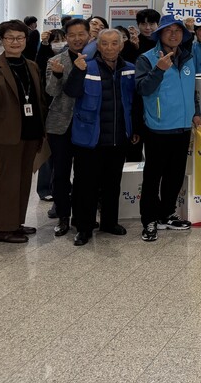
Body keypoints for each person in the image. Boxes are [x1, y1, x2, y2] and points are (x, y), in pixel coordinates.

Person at [67, 29, 139, 246]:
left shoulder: (130, 69)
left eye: (114, 43)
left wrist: (134, 130)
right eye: (104, 43)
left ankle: (109, 222)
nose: (109, 48)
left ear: (121, 45)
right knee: (85, 185)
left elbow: (134, 103)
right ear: (97, 46)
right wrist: (76, 72)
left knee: (112, 184)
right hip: (89, 138)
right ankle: (83, 227)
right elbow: (71, 92)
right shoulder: (85, 67)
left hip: (118, 138)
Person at [0, 21, 47, 244]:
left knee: (24, 178)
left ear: (26, 40)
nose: (15, 42)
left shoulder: (31, 65)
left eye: (20, 38)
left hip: (31, 131)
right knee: (8, 180)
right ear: (2, 40)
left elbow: (38, 99)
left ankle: (16, 222)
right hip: (6, 132)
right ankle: (4, 228)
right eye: (10, 38)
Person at [135, 15, 201, 242]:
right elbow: (142, 89)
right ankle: (149, 219)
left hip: (183, 127)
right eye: (168, 31)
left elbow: (192, 89)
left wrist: (196, 112)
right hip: (158, 128)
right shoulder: (147, 58)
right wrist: (159, 70)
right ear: (159, 34)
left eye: (178, 30)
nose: (173, 35)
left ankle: (166, 214)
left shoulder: (188, 57)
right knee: (153, 176)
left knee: (175, 176)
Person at [44, 18, 91, 237]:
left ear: (89, 35)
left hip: (87, 124)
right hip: (60, 125)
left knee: (84, 173)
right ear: (66, 37)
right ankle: (63, 216)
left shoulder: (96, 58)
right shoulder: (55, 60)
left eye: (81, 34)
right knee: (60, 173)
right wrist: (57, 74)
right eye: (72, 35)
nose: (77, 39)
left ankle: (83, 216)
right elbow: (51, 92)